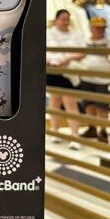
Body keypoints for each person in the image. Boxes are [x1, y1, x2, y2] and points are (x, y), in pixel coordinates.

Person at [46, 9, 86, 150]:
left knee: (70, 104)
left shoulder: (75, 34)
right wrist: (52, 60)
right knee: (54, 102)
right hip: (53, 71)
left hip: (69, 73)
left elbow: (81, 52)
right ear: (56, 20)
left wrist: (67, 58)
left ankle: (75, 136)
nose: (65, 22)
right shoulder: (49, 33)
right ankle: (55, 131)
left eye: (67, 19)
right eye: (62, 19)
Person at [77, 17, 110, 143]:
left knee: (102, 106)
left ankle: (103, 131)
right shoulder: (84, 40)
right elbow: (78, 55)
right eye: (97, 27)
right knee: (88, 104)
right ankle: (92, 128)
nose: (100, 30)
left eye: (102, 28)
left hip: (104, 80)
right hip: (87, 78)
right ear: (91, 28)